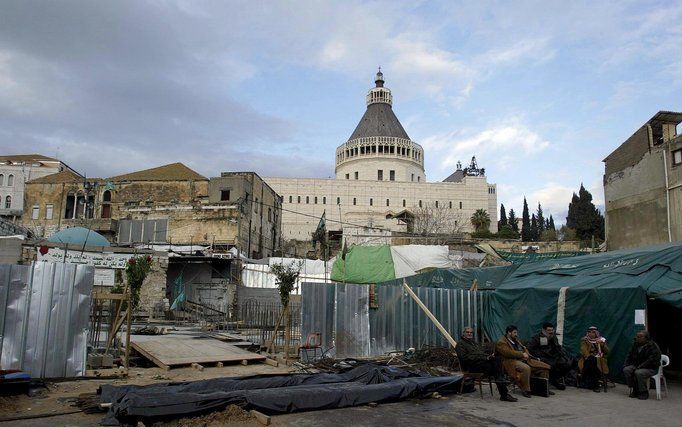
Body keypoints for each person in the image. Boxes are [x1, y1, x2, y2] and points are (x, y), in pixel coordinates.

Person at [456, 327, 518, 402]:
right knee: (496, 366)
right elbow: (464, 359)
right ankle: (503, 386)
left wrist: (488, 356)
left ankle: (503, 390)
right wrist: (485, 358)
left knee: (497, 360)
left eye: (471, 332)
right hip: (471, 366)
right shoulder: (460, 344)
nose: (469, 334)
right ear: (464, 333)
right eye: (467, 332)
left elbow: (481, 353)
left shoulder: (474, 343)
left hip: (481, 365)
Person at [496, 325, 551, 398]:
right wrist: (521, 354)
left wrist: (529, 355)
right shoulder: (501, 342)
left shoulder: (515, 340)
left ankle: (543, 389)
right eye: (515, 332)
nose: (516, 334)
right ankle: (526, 389)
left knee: (544, 367)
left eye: (516, 332)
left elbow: (524, 349)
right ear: (509, 333)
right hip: (510, 362)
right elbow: (507, 353)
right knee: (526, 368)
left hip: (524, 359)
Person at [528, 322, 571, 390]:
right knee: (552, 365)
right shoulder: (537, 338)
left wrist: (562, 353)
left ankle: (555, 379)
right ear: (543, 330)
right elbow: (531, 349)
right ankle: (554, 382)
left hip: (554, 356)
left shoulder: (553, 337)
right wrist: (541, 354)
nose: (551, 332)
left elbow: (558, 347)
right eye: (549, 330)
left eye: (552, 330)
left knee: (567, 364)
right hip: (543, 357)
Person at [623, 330, 661, 400]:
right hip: (637, 365)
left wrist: (640, 367)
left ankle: (643, 392)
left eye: (640, 337)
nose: (637, 338)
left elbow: (651, 360)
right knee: (626, 370)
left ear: (646, 338)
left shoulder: (652, 346)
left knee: (639, 373)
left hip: (651, 368)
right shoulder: (635, 344)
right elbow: (629, 355)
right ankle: (635, 389)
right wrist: (626, 364)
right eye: (637, 336)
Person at [578, 326, 609, 392]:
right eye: (589, 332)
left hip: (599, 359)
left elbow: (606, 352)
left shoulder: (601, 340)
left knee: (593, 362)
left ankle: (583, 376)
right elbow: (584, 350)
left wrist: (602, 344)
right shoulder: (584, 340)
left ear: (596, 333)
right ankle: (595, 385)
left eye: (593, 332)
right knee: (591, 359)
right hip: (587, 359)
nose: (591, 334)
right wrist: (589, 356)